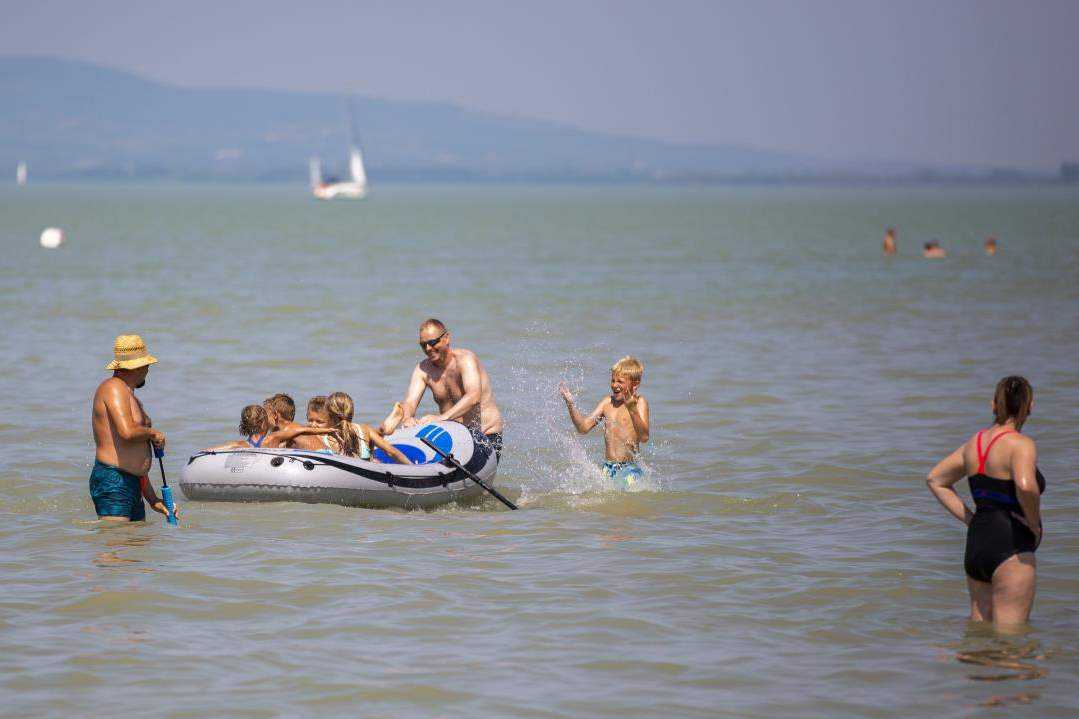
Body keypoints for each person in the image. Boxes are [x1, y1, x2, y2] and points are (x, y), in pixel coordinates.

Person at [927, 376, 1045, 626]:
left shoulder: (974, 443)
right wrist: (1034, 525)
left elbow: (935, 480)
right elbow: (1026, 486)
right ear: (1030, 406)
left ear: (993, 404)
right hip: (1011, 543)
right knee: (1011, 639)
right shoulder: (1021, 445)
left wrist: (971, 520)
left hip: (977, 544)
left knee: (979, 633)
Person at [379, 319, 504, 466]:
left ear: (446, 338)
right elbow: (410, 402)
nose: (428, 348)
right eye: (423, 345)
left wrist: (442, 418)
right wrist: (407, 418)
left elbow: (474, 396)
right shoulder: (423, 369)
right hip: (455, 438)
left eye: (432, 342)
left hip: (485, 434)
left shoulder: (465, 360)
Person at [90, 334, 177, 522]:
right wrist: (153, 433)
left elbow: (133, 456)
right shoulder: (113, 387)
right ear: (137, 367)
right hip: (114, 480)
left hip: (134, 483)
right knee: (116, 538)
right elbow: (127, 432)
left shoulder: (130, 395)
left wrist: (153, 499)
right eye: (147, 365)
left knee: (136, 540)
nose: (148, 370)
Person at [559, 356, 651, 489]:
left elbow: (644, 437)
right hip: (608, 468)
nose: (614, 385)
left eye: (620, 381)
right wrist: (570, 404)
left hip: (629, 469)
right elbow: (583, 428)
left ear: (635, 384)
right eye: (613, 380)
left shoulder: (639, 402)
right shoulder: (607, 402)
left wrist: (632, 410)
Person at [325, 392, 410, 463]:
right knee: (370, 443)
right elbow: (392, 452)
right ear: (351, 412)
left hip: (343, 473)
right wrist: (412, 469)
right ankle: (382, 431)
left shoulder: (324, 435)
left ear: (328, 415)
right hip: (367, 470)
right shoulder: (364, 430)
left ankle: (382, 431)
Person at [205, 404, 333, 451]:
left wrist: (204, 451)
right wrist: (328, 430)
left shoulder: (240, 444)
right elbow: (303, 429)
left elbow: (213, 449)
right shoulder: (273, 438)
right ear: (263, 424)